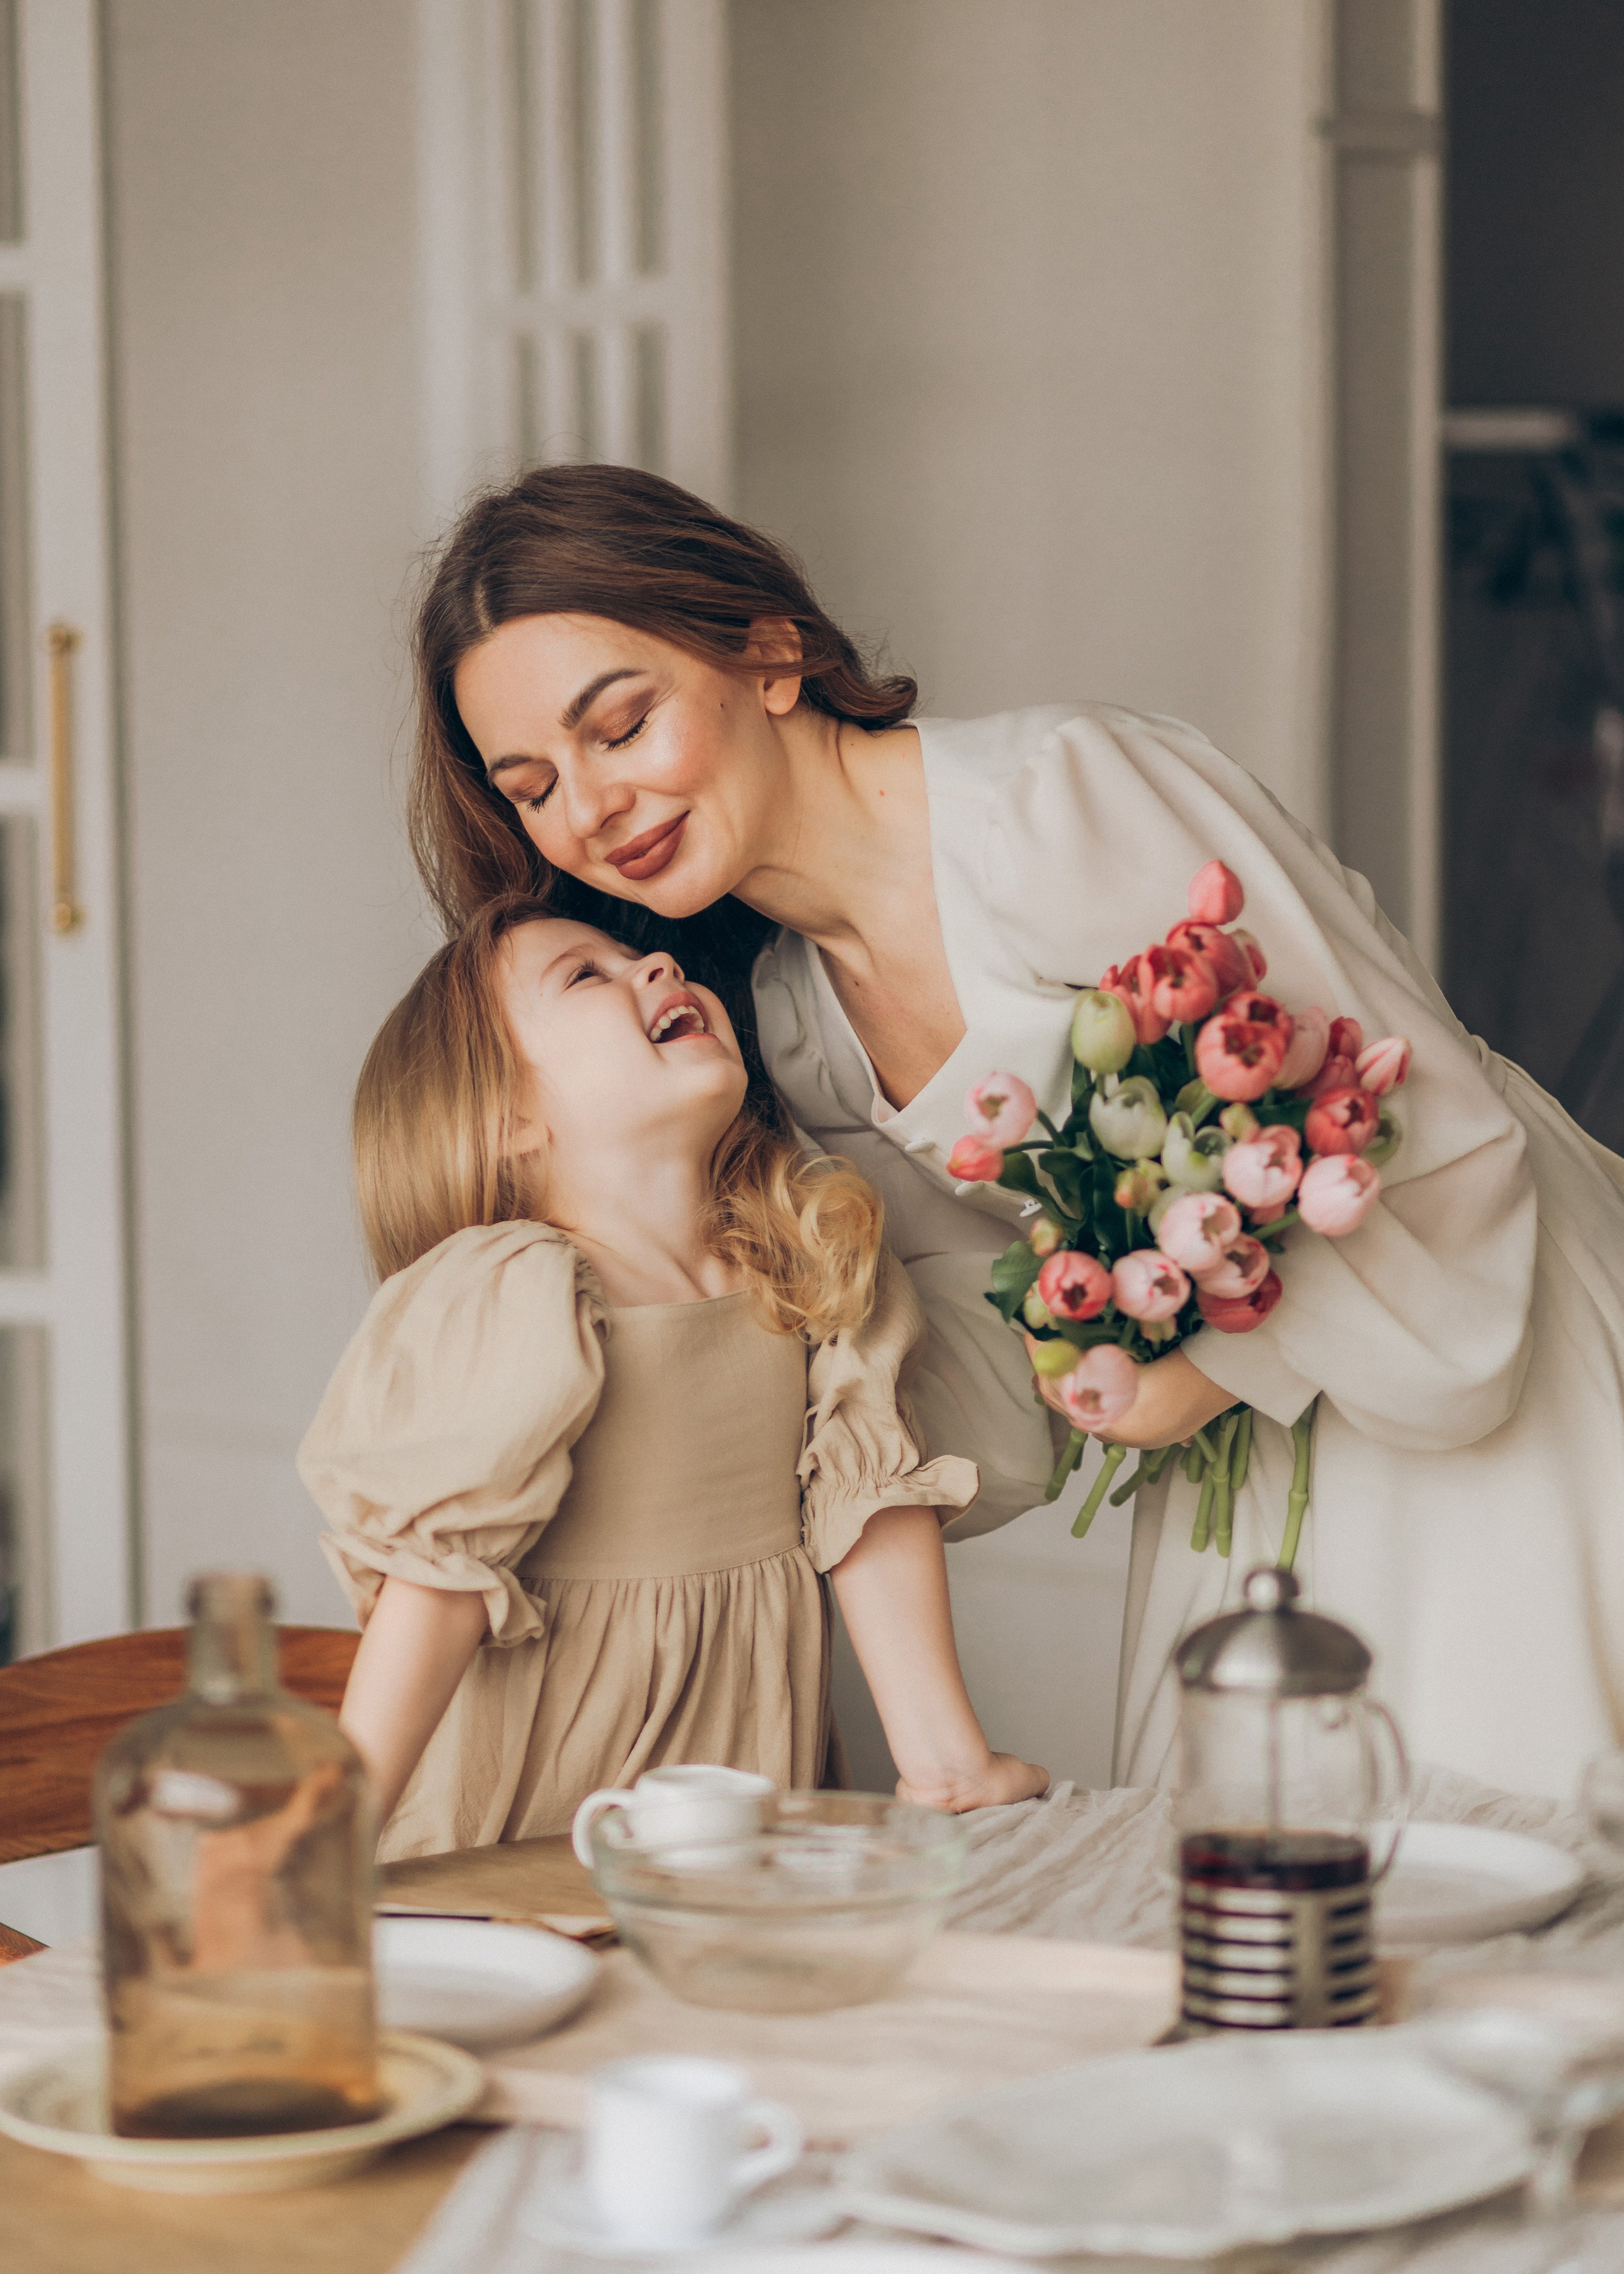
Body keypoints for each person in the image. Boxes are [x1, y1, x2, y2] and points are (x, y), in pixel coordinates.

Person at [400, 462, 1624, 1803]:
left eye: (620, 725)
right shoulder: (789, 1019)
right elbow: (992, 1361)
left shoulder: (1061, 802)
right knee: (1264, 1903)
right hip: (1261, 1476)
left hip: (1493, 1380)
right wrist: (688, 1406)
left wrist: (1200, 1375)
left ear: (767, 652)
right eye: (530, 785)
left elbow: (1428, 1142)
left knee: (1505, 1879)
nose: (589, 809)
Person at [299, 894, 1045, 1859]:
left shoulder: (808, 1260)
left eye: (639, 951)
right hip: (528, 1832)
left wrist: (945, 1760)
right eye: (585, 975)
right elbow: (434, 1584)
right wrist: (331, 1845)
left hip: (737, 1822)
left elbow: (873, 1509)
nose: (653, 965)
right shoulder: (514, 1292)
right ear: (508, 1116)